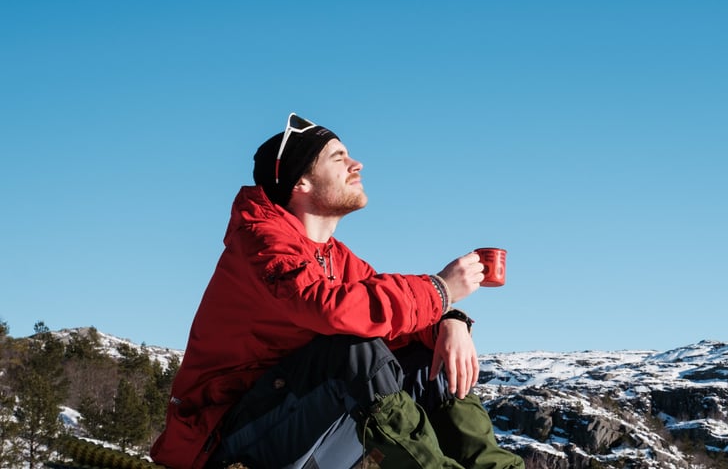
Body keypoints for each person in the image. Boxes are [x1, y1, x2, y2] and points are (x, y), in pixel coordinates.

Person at [151, 113, 523, 469]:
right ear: (301, 182)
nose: (356, 164)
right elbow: (329, 309)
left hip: (293, 421)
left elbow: (392, 320)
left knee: (429, 358)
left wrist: (449, 322)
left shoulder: (336, 258)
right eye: (338, 157)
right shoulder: (261, 242)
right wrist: (440, 290)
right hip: (224, 439)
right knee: (351, 347)